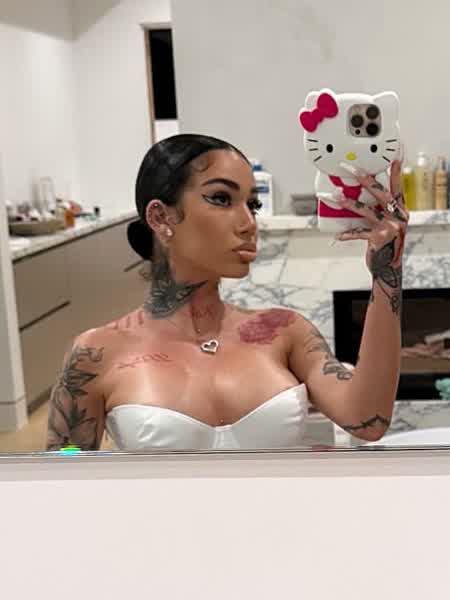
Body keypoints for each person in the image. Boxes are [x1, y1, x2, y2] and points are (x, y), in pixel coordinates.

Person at [46, 134, 409, 451]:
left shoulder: (285, 331)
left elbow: (368, 419)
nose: (249, 223)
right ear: (159, 217)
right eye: (221, 199)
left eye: (253, 204)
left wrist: (386, 276)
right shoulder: (97, 353)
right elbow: (62, 478)